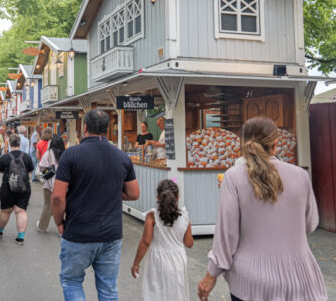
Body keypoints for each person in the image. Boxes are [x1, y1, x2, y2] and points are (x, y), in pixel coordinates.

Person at [197, 117, 327, 301]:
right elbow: (310, 224)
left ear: (242, 143)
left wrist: (211, 274)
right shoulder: (301, 176)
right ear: (275, 144)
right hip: (300, 280)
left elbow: (227, 236)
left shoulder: (233, 178)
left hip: (251, 283)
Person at [51, 109, 139, 301]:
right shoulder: (122, 157)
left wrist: (59, 221)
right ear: (107, 130)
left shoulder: (71, 155)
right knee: (108, 289)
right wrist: (112, 192)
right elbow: (134, 193)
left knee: (72, 281)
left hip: (78, 232)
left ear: (84, 128)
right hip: (111, 234)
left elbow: (58, 197)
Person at [131, 179, 193, 300]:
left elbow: (145, 242)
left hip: (157, 260)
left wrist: (136, 263)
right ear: (178, 197)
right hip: (178, 260)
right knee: (176, 292)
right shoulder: (184, 217)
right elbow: (189, 243)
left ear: (158, 197)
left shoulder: (152, 216)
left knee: (156, 291)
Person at [0, 134, 34, 244]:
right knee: (21, 211)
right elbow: (30, 171)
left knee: (5, 211)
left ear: (10, 144)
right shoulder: (26, 157)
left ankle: (0, 230)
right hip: (24, 187)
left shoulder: (5, 157)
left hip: (7, 188)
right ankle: (20, 236)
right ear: (19, 143)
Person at [37, 135, 65, 233]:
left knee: (47, 205)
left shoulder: (48, 153)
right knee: (63, 206)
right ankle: (64, 229)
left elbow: (41, 166)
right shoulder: (65, 154)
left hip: (49, 183)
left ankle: (42, 227)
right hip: (63, 184)